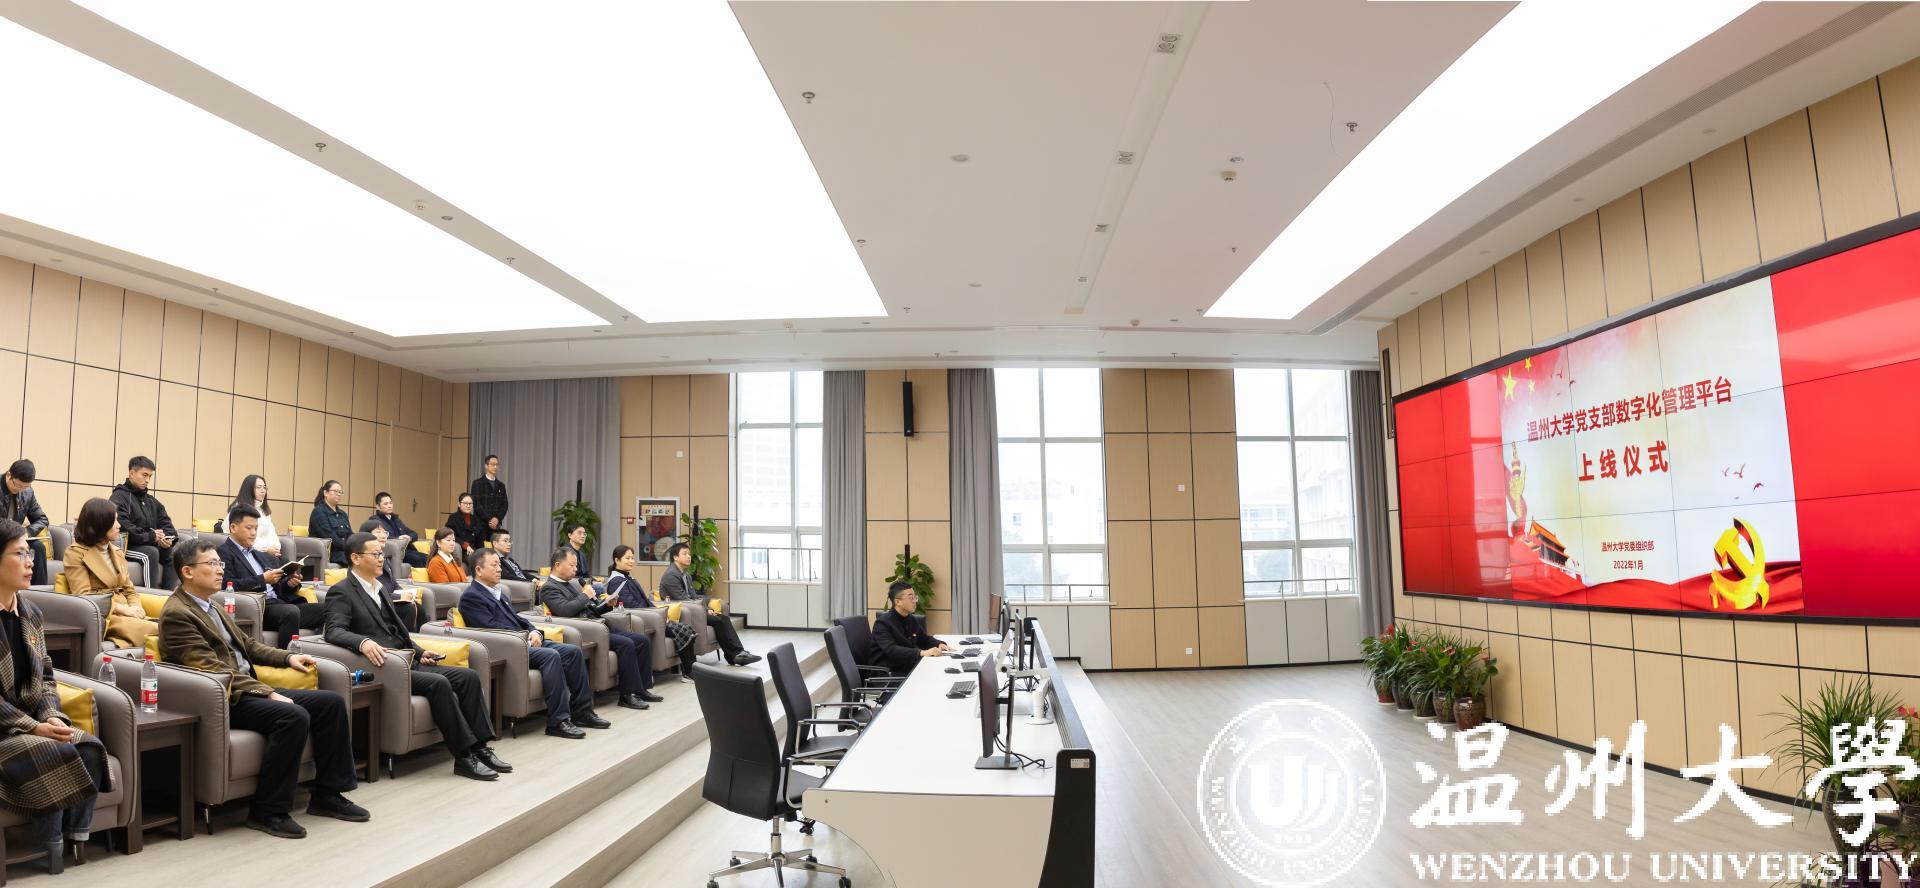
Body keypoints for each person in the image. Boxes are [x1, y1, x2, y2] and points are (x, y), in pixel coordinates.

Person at [158, 536, 365, 839]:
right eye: (212, 563)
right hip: (224, 698)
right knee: (292, 716)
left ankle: (327, 795)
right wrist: (267, 692)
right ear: (187, 571)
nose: (220, 569)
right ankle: (267, 811)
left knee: (330, 703)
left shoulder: (210, 605)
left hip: (245, 689)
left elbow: (249, 646)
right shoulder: (178, 613)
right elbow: (212, 669)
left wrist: (288, 657)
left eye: (220, 563)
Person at [323, 532, 510, 781]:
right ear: (355, 558)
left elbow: (397, 631)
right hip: (384, 666)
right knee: (439, 683)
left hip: (406, 660)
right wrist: (363, 642)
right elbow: (333, 631)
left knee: (468, 677)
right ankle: (464, 756)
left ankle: (480, 747)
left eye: (382, 554)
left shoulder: (379, 588)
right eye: (376, 554)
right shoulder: (342, 592)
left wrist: (420, 653)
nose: (381, 559)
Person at [0, 519, 112, 872]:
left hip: (32, 722)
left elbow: (47, 676)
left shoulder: (30, 612)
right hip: (5, 729)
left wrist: (50, 715)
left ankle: (74, 839)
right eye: (19, 554)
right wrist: (33, 727)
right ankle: (48, 845)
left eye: (30, 553)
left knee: (89, 746)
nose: (30, 561)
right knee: (55, 749)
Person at [458, 548, 592, 738]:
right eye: (494, 565)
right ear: (478, 570)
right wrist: (525, 636)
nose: (499, 569)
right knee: (551, 656)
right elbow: (491, 628)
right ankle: (558, 722)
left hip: (523, 641)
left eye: (499, 565)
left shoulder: (499, 593)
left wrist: (534, 631)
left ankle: (582, 712)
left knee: (572, 651)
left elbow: (519, 619)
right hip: (507, 648)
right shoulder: (471, 597)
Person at [539, 549, 661, 710]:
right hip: (585, 631)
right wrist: (585, 595)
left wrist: (607, 605)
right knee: (626, 644)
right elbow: (565, 611)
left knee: (642, 640)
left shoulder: (570, 584)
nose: (576, 569)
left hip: (598, 624)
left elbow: (589, 609)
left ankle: (641, 689)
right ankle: (627, 695)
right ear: (557, 565)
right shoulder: (549, 588)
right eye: (572, 565)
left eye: (576, 565)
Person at [219, 505, 324, 642]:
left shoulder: (259, 554)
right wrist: (262, 579)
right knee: (290, 612)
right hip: (257, 608)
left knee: (328, 609)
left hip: (279, 604)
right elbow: (226, 585)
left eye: (256, 528)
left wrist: (289, 584)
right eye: (249, 528)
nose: (253, 533)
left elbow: (276, 587)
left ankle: (316, 650)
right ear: (233, 528)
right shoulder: (223, 553)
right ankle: (287, 654)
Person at [62, 498, 157, 650]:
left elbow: (130, 590)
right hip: (106, 615)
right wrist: (124, 610)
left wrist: (136, 608)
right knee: (158, 631)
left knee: (172, 627)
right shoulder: (75, 553)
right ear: (100, 523)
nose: (119, 525)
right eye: (114, 521)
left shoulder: (117, 552)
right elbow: (84, 596)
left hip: (128, 613)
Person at [659, 542, 757, 666]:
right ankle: (735, 655)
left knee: (723, 618)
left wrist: (706, 608)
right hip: (684, 614)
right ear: (675, 557)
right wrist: (704, 610)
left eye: (689, 554)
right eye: (685, 554)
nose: (689, 556)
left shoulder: (685, 575)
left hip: (694, 610)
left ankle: (737, 654)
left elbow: (694, 596)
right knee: (719, 621)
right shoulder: (670, 575)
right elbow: (683, 599)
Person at [607, 545, 696, 677]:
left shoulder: (628, 578)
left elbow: (646, 601)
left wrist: (660, 613)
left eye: (632, 558)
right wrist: (656, 615)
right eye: (627, 558)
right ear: (617, 560)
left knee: (686, 628)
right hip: (641, 619)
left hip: (650, 616)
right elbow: (631, 605)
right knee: (682, 629)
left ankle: (691, 669)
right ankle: (688, 672)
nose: (631, 561)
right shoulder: (616, 581)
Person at [111, 456, 177, 590]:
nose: (147, 480)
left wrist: (167, 538)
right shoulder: (118, 497)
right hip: (126, 546)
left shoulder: (151, 501)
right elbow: (124, 527)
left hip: (148, 543)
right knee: (151, 553)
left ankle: (168, 597)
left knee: (174, 554)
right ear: (131, 473)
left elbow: (167, 525)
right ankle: (151, 596)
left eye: (150, 476)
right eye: (144, 475)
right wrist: (151, 537)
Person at [871, 581, 948, 677]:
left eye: (915, 597)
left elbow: (924, 639)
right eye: (911, 598)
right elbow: (891, 650)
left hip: (906, 667)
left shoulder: (910, 619)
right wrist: (921, 652)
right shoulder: (883, 623)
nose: (915, 601)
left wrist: (938, 644)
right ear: (897, 602)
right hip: (888, 674)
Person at [1, 460, 50, 586]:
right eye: (17, 485)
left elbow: (42, 519)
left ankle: (38, 592)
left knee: (38, 547)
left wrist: (28, 532)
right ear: (9, 475)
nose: (19, 490)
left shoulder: (28, 492)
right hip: (2, 539)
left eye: (25, 487)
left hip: (16, 539)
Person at [369, 492, 429, 568]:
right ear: (378, 506)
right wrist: (398, 539)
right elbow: (380, 537)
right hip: (394, 552)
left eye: (391, 503)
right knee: (419, 559)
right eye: (386, 504)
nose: (389, 506)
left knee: (429, 558)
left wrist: (409, 538)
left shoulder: (396, 519)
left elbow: (414, 533)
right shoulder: (375, 520)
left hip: (407, 550)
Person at [229, 474, 282, 556]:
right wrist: (266, 549)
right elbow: (242, 536)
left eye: (264, 487)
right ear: (248, 489)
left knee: (286, 561)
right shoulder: (239, 509)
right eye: (259, 487)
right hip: (250, 551)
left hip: (269, 552)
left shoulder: (263, 510)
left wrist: (276, 547)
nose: (263, 491)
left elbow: (271, 533)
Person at [307, 480, 353, 568]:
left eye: (340, 492)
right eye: (335, 491)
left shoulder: (343, 514)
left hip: (343, 550)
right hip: (329, 552)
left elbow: (350, 534)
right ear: (325, 493)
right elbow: (329, 536)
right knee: (358, 560)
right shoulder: (319, 511)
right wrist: (348, 548)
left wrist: (356, 545)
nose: (338, 494)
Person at [470, 455, 508, 537]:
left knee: (494, 544)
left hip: (496, 525)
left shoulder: (501, 485)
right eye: (493, 464)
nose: (495, 467)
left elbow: (504, 505)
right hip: (480, 524)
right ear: (486, 466)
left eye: (497, 464)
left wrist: (497, 518)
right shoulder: (477, 483)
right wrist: (490, 519)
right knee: (481, 545)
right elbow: (476, 504)